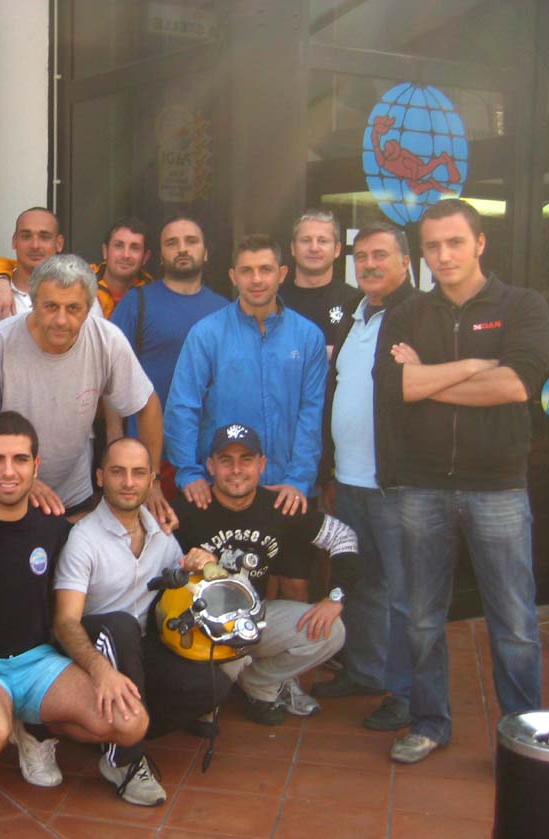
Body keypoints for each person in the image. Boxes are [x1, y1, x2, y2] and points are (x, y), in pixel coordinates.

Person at [375, 198, 549, 764]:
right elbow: (395, 388)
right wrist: (477, 365)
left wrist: (428, 379)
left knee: (515, 623)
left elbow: (517, 385)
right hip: (422, 485)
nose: (444, 255)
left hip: (498, 487)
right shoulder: (407, 314)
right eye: (432, 246)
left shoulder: (522, 305)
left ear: (479, 243)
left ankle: (521, 738)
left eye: (455, 242)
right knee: (423, 620)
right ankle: (430, 723)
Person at [0, 412, 147, 804]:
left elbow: (105, 524)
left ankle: (34, 730)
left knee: (131, 723)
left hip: (38, 663)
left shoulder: (55, 529)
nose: (9, 471)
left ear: (36, 466)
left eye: (20, 459)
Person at [53, 437, 217, 806]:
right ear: (100, 477)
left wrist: (200, 565)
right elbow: (65, 622)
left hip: (139, 648)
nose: (128, 482)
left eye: (138, 473)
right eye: (118, 472)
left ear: (151, 480)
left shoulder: (160, 531)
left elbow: (180, 587)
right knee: (122, 627)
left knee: (213, 683)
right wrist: (99, 670)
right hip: (91, 648)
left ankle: (117, 727)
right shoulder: (83, 539)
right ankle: (124, 760)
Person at [311, 223, 419, 731]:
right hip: (351, 479)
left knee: (403, 593)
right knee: (363, 582)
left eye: (381, 255)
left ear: (405, 262)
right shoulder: (355, 316)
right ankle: (366, 671)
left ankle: (406, 693)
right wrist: (332, 470)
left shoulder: (420, 315)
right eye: (362, 256)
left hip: (396, 484)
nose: (370, 264)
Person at [174, 424, 356, 725]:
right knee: (203, 708)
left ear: (262, 465)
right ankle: (216, 685)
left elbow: (344, 538)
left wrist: (336, 598)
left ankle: (258, 683)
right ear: (210, 466)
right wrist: (185, 564)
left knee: (331, 631)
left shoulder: (278, 506)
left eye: (246, 459)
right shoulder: (190, 508)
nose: (236, 470)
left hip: (252, 619)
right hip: (199, 628)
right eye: (226, 460)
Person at [0, 254, 174, 526]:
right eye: (50, 306)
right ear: (33, 302)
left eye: (73, 308)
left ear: (89, 307)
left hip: (76, 492)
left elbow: (147, 405)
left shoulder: (107, 340)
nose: (61, 319)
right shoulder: (0, 343)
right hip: (11, 491)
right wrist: (25, 480)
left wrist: (153, 481)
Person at [165, 234, 327, 519]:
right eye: (246, 270)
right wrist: (189, 473)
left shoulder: (308, 336)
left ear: (282, 274)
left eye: (265, 269)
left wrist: (298, 479)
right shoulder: (206, 334)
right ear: (233, 276)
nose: (256, 279)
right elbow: (183, 406)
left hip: (286, 493)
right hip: (220, 490)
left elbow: (311, 414)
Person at [110, 216, 229, 490]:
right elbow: (112, 377)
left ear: (206, 252)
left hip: (209, 456)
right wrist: (115, 438)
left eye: (191, 241)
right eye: (172, 243)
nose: (182, 249)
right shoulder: (137, 302)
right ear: (161, 256)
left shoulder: (225, 310)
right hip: (148, 455)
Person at [0, 217, 154, 321]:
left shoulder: (152, 294)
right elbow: (12, 265)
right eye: (118, 246)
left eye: (135, 248)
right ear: (105, 251)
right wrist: (1, 279)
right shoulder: (80, 278)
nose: (125, 255)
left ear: (146, 257)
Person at [0, 207, 65, 359]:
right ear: (14, 241)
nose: (35, 245)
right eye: (26, 236)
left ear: (59, 243)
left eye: (44, 237)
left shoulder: (78, 294)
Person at [278, 209, 361, 355]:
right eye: (306, 240)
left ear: (337, 249)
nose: (314, 248)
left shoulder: (355, 302)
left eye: (323, 241)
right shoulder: (275, 300)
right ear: (293, 248)